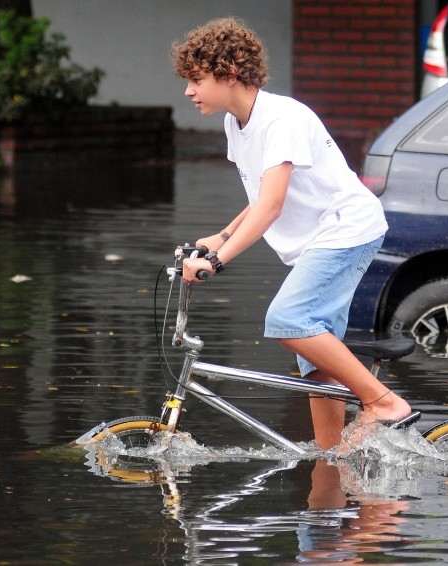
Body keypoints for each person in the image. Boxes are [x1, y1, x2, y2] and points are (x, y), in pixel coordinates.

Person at [171, 17, 417, 450]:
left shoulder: (281, 119)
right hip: (318, 240)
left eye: (196, 80)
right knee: (314, 364)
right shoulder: (236, 123)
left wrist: (216, 260)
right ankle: (332, 458)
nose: (189, 91)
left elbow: (272, 205)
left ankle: (383, 403)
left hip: (346, 228)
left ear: (229, 75)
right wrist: (222, 236)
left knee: (288, 321)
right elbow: (261, 192)